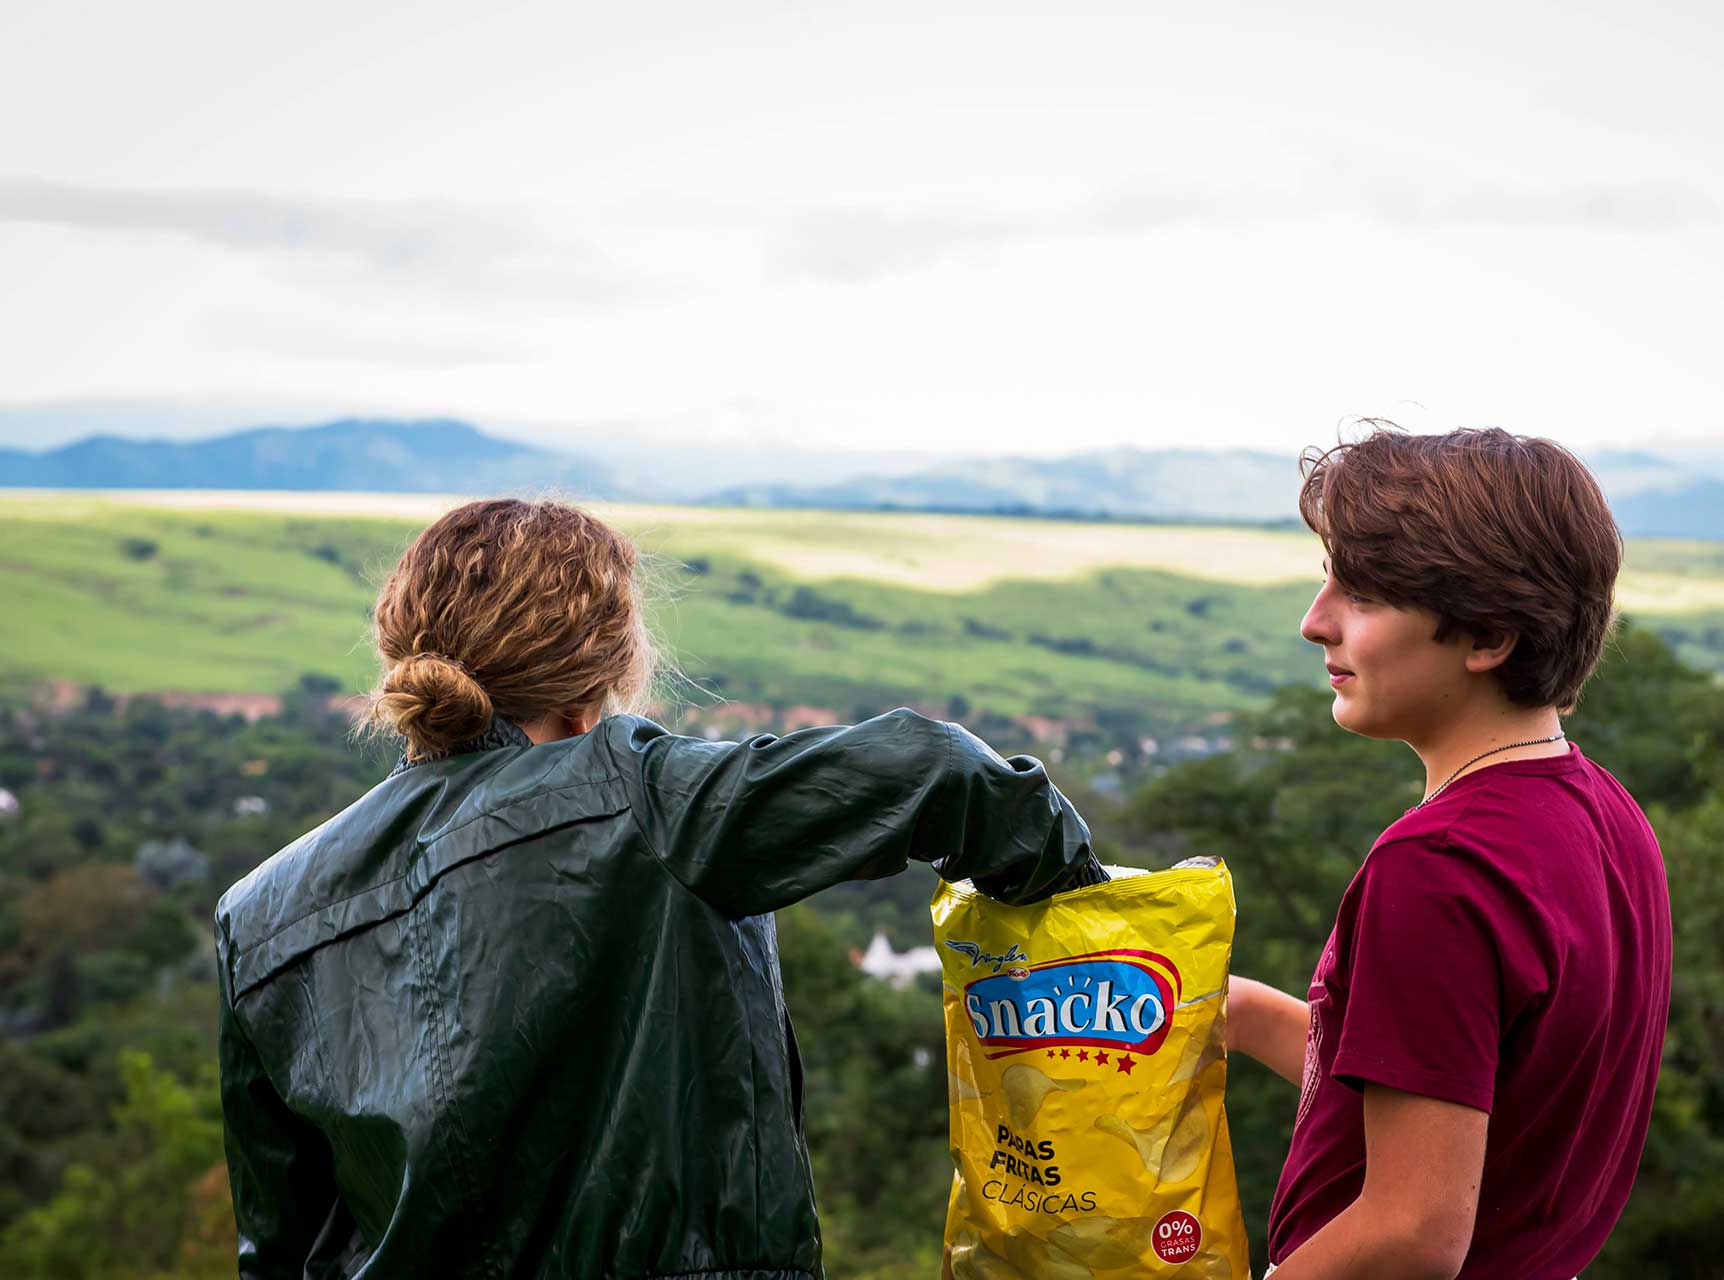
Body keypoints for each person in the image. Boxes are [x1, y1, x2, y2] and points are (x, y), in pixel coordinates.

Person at [213, 497, 1101, 1279]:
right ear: (595, 688)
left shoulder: (256, 917)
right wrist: (1101, 938)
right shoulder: (643, 797)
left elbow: (284, 1249)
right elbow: (944, 772)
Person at [1225, 426, 1671, 1279]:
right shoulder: (1608, 817)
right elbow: (1468, 1096)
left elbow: (1414, 1231)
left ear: (1488, 636)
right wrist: (1245, 1016)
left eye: (1360, 595)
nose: (1314, 623)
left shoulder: (1438, 868)